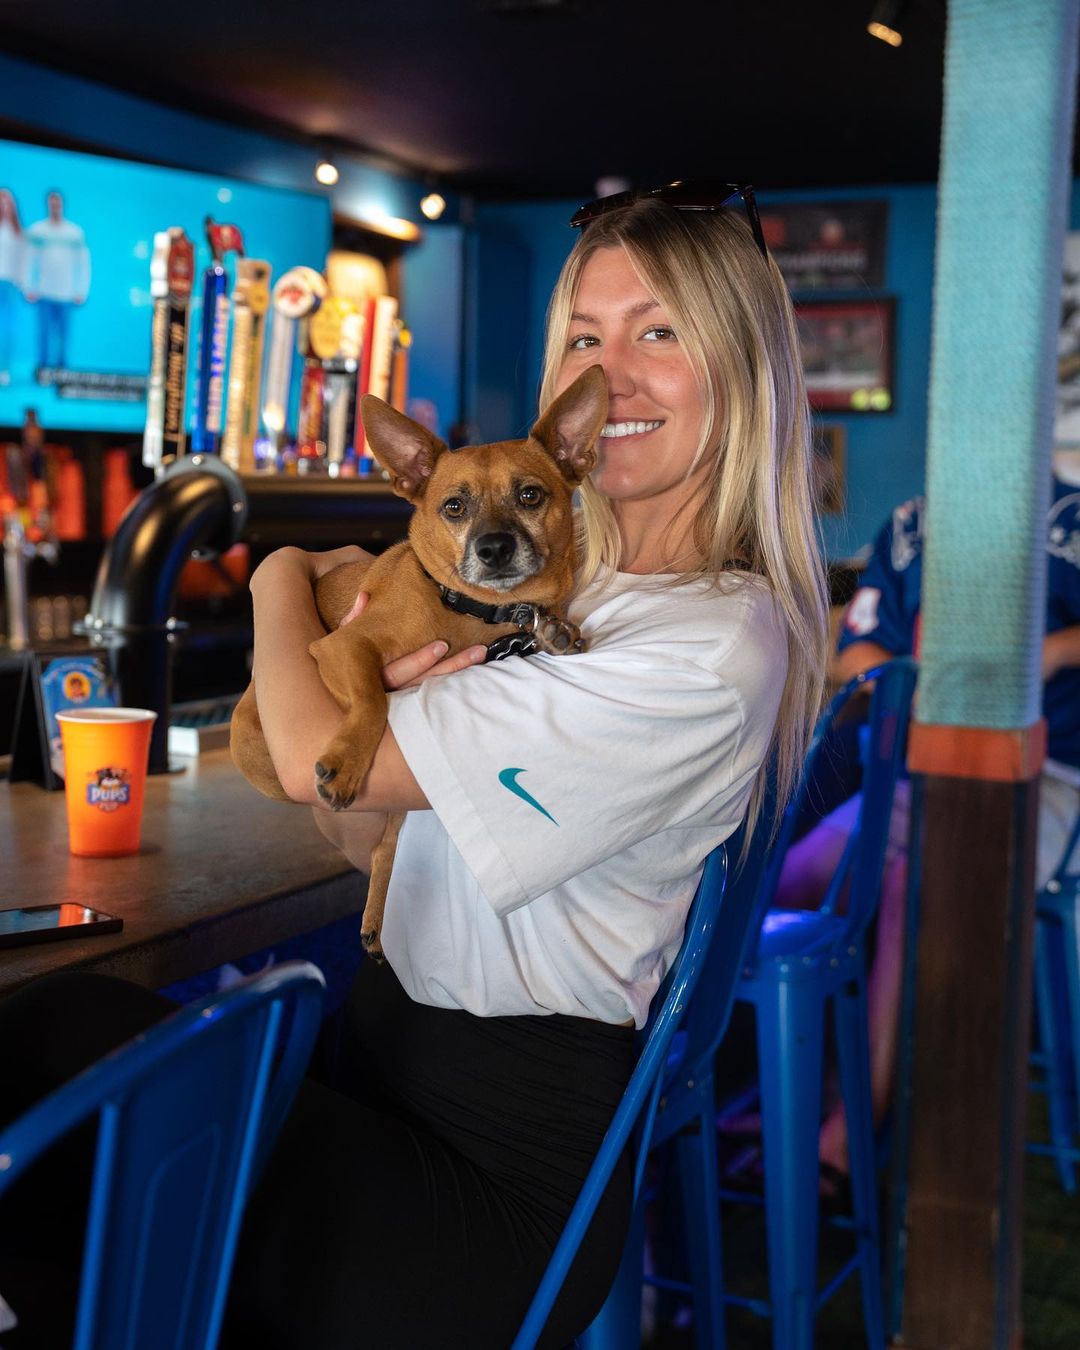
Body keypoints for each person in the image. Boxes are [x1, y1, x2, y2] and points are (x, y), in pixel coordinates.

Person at [0, 184, 828, 1349]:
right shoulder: (566, 595)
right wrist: (376, 727)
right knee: (54, 1057)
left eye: (661, 332)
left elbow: (307, 762)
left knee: (47, 1056)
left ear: (739, 368)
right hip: (383, 1068)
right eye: (586, 338)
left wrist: (278, 577)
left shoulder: (702, 642)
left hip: (487, 1187)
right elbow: (362, 826)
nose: (617, 372)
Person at [768, 470, 1080, 1184]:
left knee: (918, 891)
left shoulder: (1071, 516)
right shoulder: (914, 521)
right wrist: (927, 681)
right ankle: (773, 1096)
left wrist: (1056, 650)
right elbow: (855, 650)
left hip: (1050, 777)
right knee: (785, 887)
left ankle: (854, 1128)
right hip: (919, 775)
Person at [22, 190, 90, 372]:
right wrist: (29, 286)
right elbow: (29, 260)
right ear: (47, 205)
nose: (55, 207)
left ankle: (62, 372)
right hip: (44, 292)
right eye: (51, 204)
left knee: (63, 335)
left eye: (57, 203)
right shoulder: (37, 230)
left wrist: (81, 290)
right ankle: (43, 370)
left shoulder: (74, 232)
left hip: (66, 293)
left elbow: (83, 264)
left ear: (62, 205)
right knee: (43, 334)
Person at [0, 189, 24, 386]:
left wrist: (21, 283)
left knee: (6, 329)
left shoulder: (18, 234)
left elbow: (22, 261)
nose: (4, 206)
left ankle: (3, 369)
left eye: (7, 203)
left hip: (8, 285)